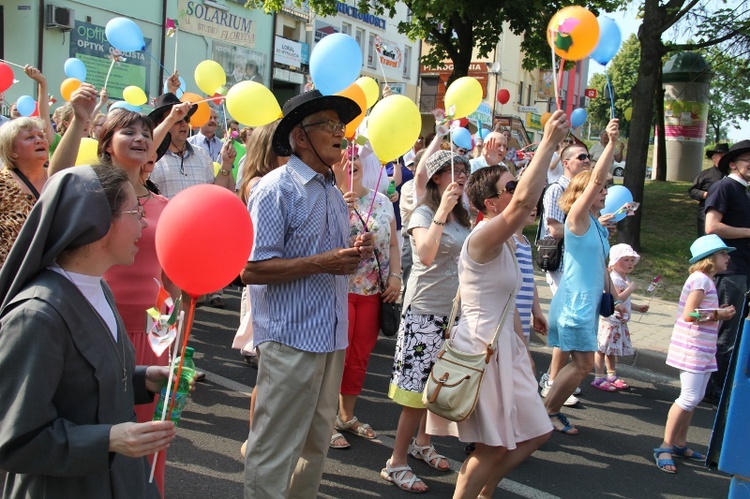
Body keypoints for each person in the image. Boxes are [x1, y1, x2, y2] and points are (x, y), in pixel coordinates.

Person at [0, 164, 177, 498]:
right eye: (135, 212)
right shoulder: (36, 316)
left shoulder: (98, 287)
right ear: (96, 224)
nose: (144, 221)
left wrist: (145, 378)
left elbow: (82, 380)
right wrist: (109, 439)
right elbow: (15, 441)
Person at [427, 111, 568, 498]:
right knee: (491, 445)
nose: (520, 189)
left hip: (505, 348)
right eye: (510, 186)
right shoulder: (483, 237)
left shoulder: (510, 241)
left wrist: (523, 350)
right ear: (490, 204)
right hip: (481, 348)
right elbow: (523, 203)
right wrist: (549, 144)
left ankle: (483, 491)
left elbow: (510, 301)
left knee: (535, 431)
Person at [240, 90, 372, 499]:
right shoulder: (276, 189)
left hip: (331, 338)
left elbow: (328, 258)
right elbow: (251, 270)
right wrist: (324, 262)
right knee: (274, 449)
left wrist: (355, 251)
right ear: (300, 137)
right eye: (329, 125)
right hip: (291, 339)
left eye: (342, 126)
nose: (341, 134)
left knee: (314, 446)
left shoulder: (332, 191)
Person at [382, 150, 472, 493]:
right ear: (437, 178)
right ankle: (396, 462)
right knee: (414, 392)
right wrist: (443, 212)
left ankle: (423, 444)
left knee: (437, 388)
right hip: (423, 312)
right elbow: (426, 254)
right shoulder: (423, 212)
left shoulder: (464, 217)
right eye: (455, 171)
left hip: (453, 314)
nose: (462, 176)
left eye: (465, 170)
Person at [543, 119, 628, 435]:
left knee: (580, 365)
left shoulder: (599, 227)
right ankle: (547, 411)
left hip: (590, 302)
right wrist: (609, 144)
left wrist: (616, 300)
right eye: (600, 189)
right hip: (574, 302)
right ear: (583, 193)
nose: (604, 191)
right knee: (582, 365)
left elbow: (603, 267)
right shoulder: (576, 220)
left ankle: (546, 411)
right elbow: (596, 178)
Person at [329, 150, 401, 449]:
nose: (351, 162)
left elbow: (394, 243)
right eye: (344, 158)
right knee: (336, 359)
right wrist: (337, 213)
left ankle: (346, 416)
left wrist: (396, 276)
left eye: (355, 157)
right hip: (337, 291)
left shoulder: (382, 200)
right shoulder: (329, 199)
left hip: (373, 293)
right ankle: (324, 419)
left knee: (359, 358)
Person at [653, 234, 736, 473]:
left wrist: (716, 312)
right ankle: (665, 446)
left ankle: (679, 443)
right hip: (693, 347)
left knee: (695, 397)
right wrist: (718, 315)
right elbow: (690, 314)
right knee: (689, 398)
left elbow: (698, 312)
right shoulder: (700, 280)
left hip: (703, 348)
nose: (727, 257)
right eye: (723, 253)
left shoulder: (705, 280)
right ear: (709, 258)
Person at [149, 93, 235, 309]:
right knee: (160, 307)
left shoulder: (201, 154)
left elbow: (213, 194)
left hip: (194, 244)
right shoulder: (151, 157)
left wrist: (225, 165)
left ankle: (179, 343)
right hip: (161, 245)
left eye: (185, 120)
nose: (183, 125)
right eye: (177, 120)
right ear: (162, 123)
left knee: (187, 306)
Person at [538, 138, 593, 406]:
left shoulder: (586, 190)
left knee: (573, 326)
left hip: (582, 267)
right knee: (567, 325)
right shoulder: (555, 190)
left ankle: (562, 378)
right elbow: (553, 229)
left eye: (588, 157)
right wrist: (588, 228)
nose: (586, 160)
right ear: (566, 162)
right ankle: (551, 381)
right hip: (561, 264)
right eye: (581, 157)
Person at [703, 139, 750, 406]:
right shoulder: (724, 187)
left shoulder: (745, 191)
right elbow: (712, 226)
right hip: (730, 270)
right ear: (733, 164)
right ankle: (714, 390)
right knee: (726, 334)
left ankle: (726, 386)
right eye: (747, 161)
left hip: (744, 268)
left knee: (738, 332)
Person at [592, 244, 649, 391]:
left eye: (631, 260)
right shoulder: (614, 279)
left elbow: (625, 302)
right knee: (602, 348)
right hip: (610, 320)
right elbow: (617, 299)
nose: (630, 263)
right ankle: (598, 376)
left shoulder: (623, 278)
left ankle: (611, 374)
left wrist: (636, 307)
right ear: (615, 261)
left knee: (612, 349)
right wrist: (630, 289)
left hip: (618, 321)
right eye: (626, 260)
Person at [0, 117, 49, 267]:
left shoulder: (58, 179)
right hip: (10, 279)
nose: (39, 140)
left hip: (51, 277)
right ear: (12, 151)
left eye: (41, 135)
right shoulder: (3, 184)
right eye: (30, 137)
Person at [689, 143, 728, 237]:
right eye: (720, 156)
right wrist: (706, 194)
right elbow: (692, 191)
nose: (723, 159)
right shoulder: (705, 175)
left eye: (725, 156)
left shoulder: (732, 174)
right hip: (707, 211)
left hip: (728, 212)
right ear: (713, 158)